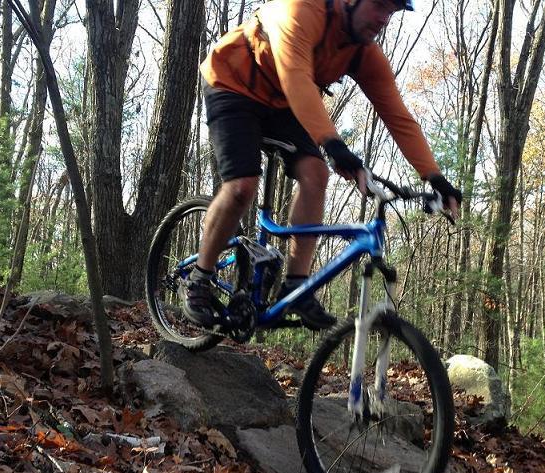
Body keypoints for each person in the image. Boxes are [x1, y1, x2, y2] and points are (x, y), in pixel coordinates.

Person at [184, 0, 462, 329]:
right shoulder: (300, 10)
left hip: (283, 102)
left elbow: (398, 117)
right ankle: (199, 278)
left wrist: (436, 178)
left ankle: (296, 287)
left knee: (316, 174)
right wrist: (332, 143)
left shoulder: (363, 53)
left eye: (391, 12)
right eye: (379, 7)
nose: (383, 19)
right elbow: (297, 76)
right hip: (233, 83)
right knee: (242, 186)